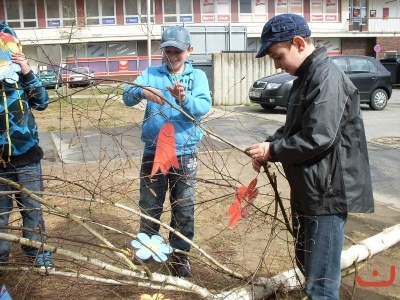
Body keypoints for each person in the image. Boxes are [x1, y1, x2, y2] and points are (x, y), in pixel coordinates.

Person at [245, 14, 374, 299]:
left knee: (322, 286)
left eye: (278, 56)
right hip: (310, 190)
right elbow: (294, 128)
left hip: (325, 195)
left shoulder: (326, 77)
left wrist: (274, 150)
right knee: (309, 268)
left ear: (299, 43)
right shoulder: (305, 78)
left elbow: (320, 136)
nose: (277, 65)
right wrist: (268, 146)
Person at [123, 25, 212, 277]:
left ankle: (180, 256)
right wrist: (142, 90)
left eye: (178, 52)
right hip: (154, 151)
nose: (172, 56)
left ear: (189, 50)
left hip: (185, 153)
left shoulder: (198, 78)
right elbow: (126, 96)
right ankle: (147, 252)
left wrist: (185, 99)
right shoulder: (151, 73)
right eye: (168, 51)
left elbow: (204, 106)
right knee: (150, 204)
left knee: (183, 207)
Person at [0, 22, 53, 271]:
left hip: (28, 156)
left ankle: (37, 250)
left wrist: (26, 69)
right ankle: (1, 256)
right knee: (0, 214)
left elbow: (42, 102)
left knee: (32, 208)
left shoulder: (21, 77)